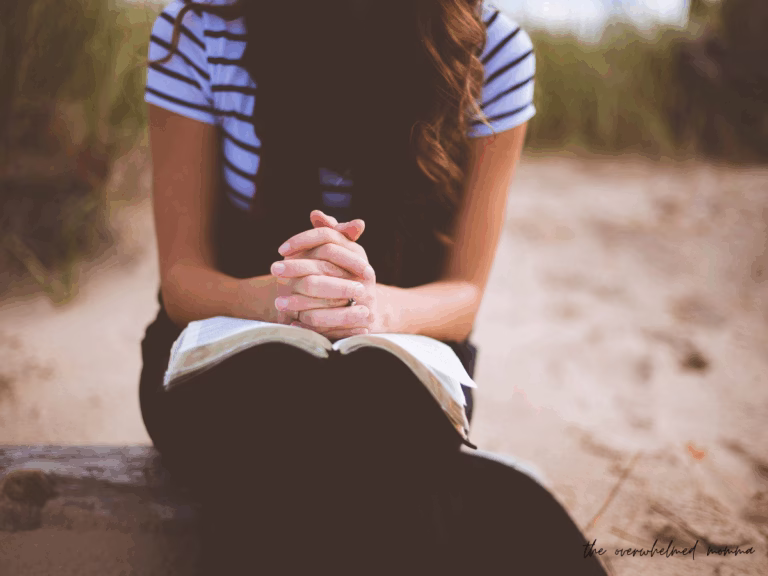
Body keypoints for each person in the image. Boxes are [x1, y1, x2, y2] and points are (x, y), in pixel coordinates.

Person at [139, 0, 608, 574]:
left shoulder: (493, 52)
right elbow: (182, 284)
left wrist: (370, 307)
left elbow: (463, 296)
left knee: (373, 416)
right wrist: (287, 298)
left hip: (400, 358)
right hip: (222, 349)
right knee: (281, 419)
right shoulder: (203, 28)